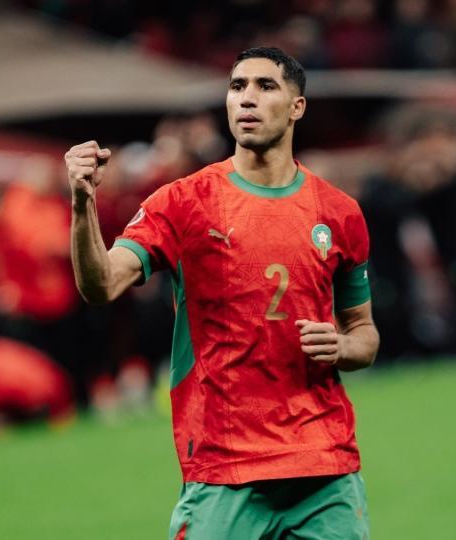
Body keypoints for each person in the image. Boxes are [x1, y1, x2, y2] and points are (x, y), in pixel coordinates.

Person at [65, 47, 379, 540]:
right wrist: (83, 205)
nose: (247, 98)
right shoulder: (184, 202)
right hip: (224, 467)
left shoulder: (339, 213)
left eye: (265, 86)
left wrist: (341, 346)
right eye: (237, 87)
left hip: (324, 466)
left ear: (297, 107)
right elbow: (101, 284)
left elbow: (364, 334)